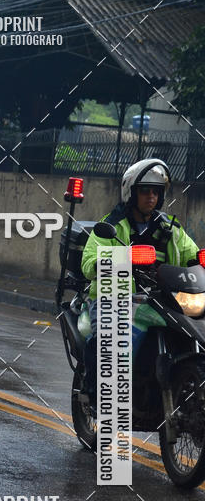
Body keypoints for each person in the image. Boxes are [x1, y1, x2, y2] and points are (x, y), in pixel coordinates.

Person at [81, 158, 199, 404]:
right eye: (145, 191)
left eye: (156, 192)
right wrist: (120, 260)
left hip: (159, 301)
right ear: (131, 192)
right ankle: (97, 394)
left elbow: (191, 254)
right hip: (114, 299)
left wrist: (200, 260)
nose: (151, 197)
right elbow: (89, 263)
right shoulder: (111, 225)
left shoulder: (170, 228)